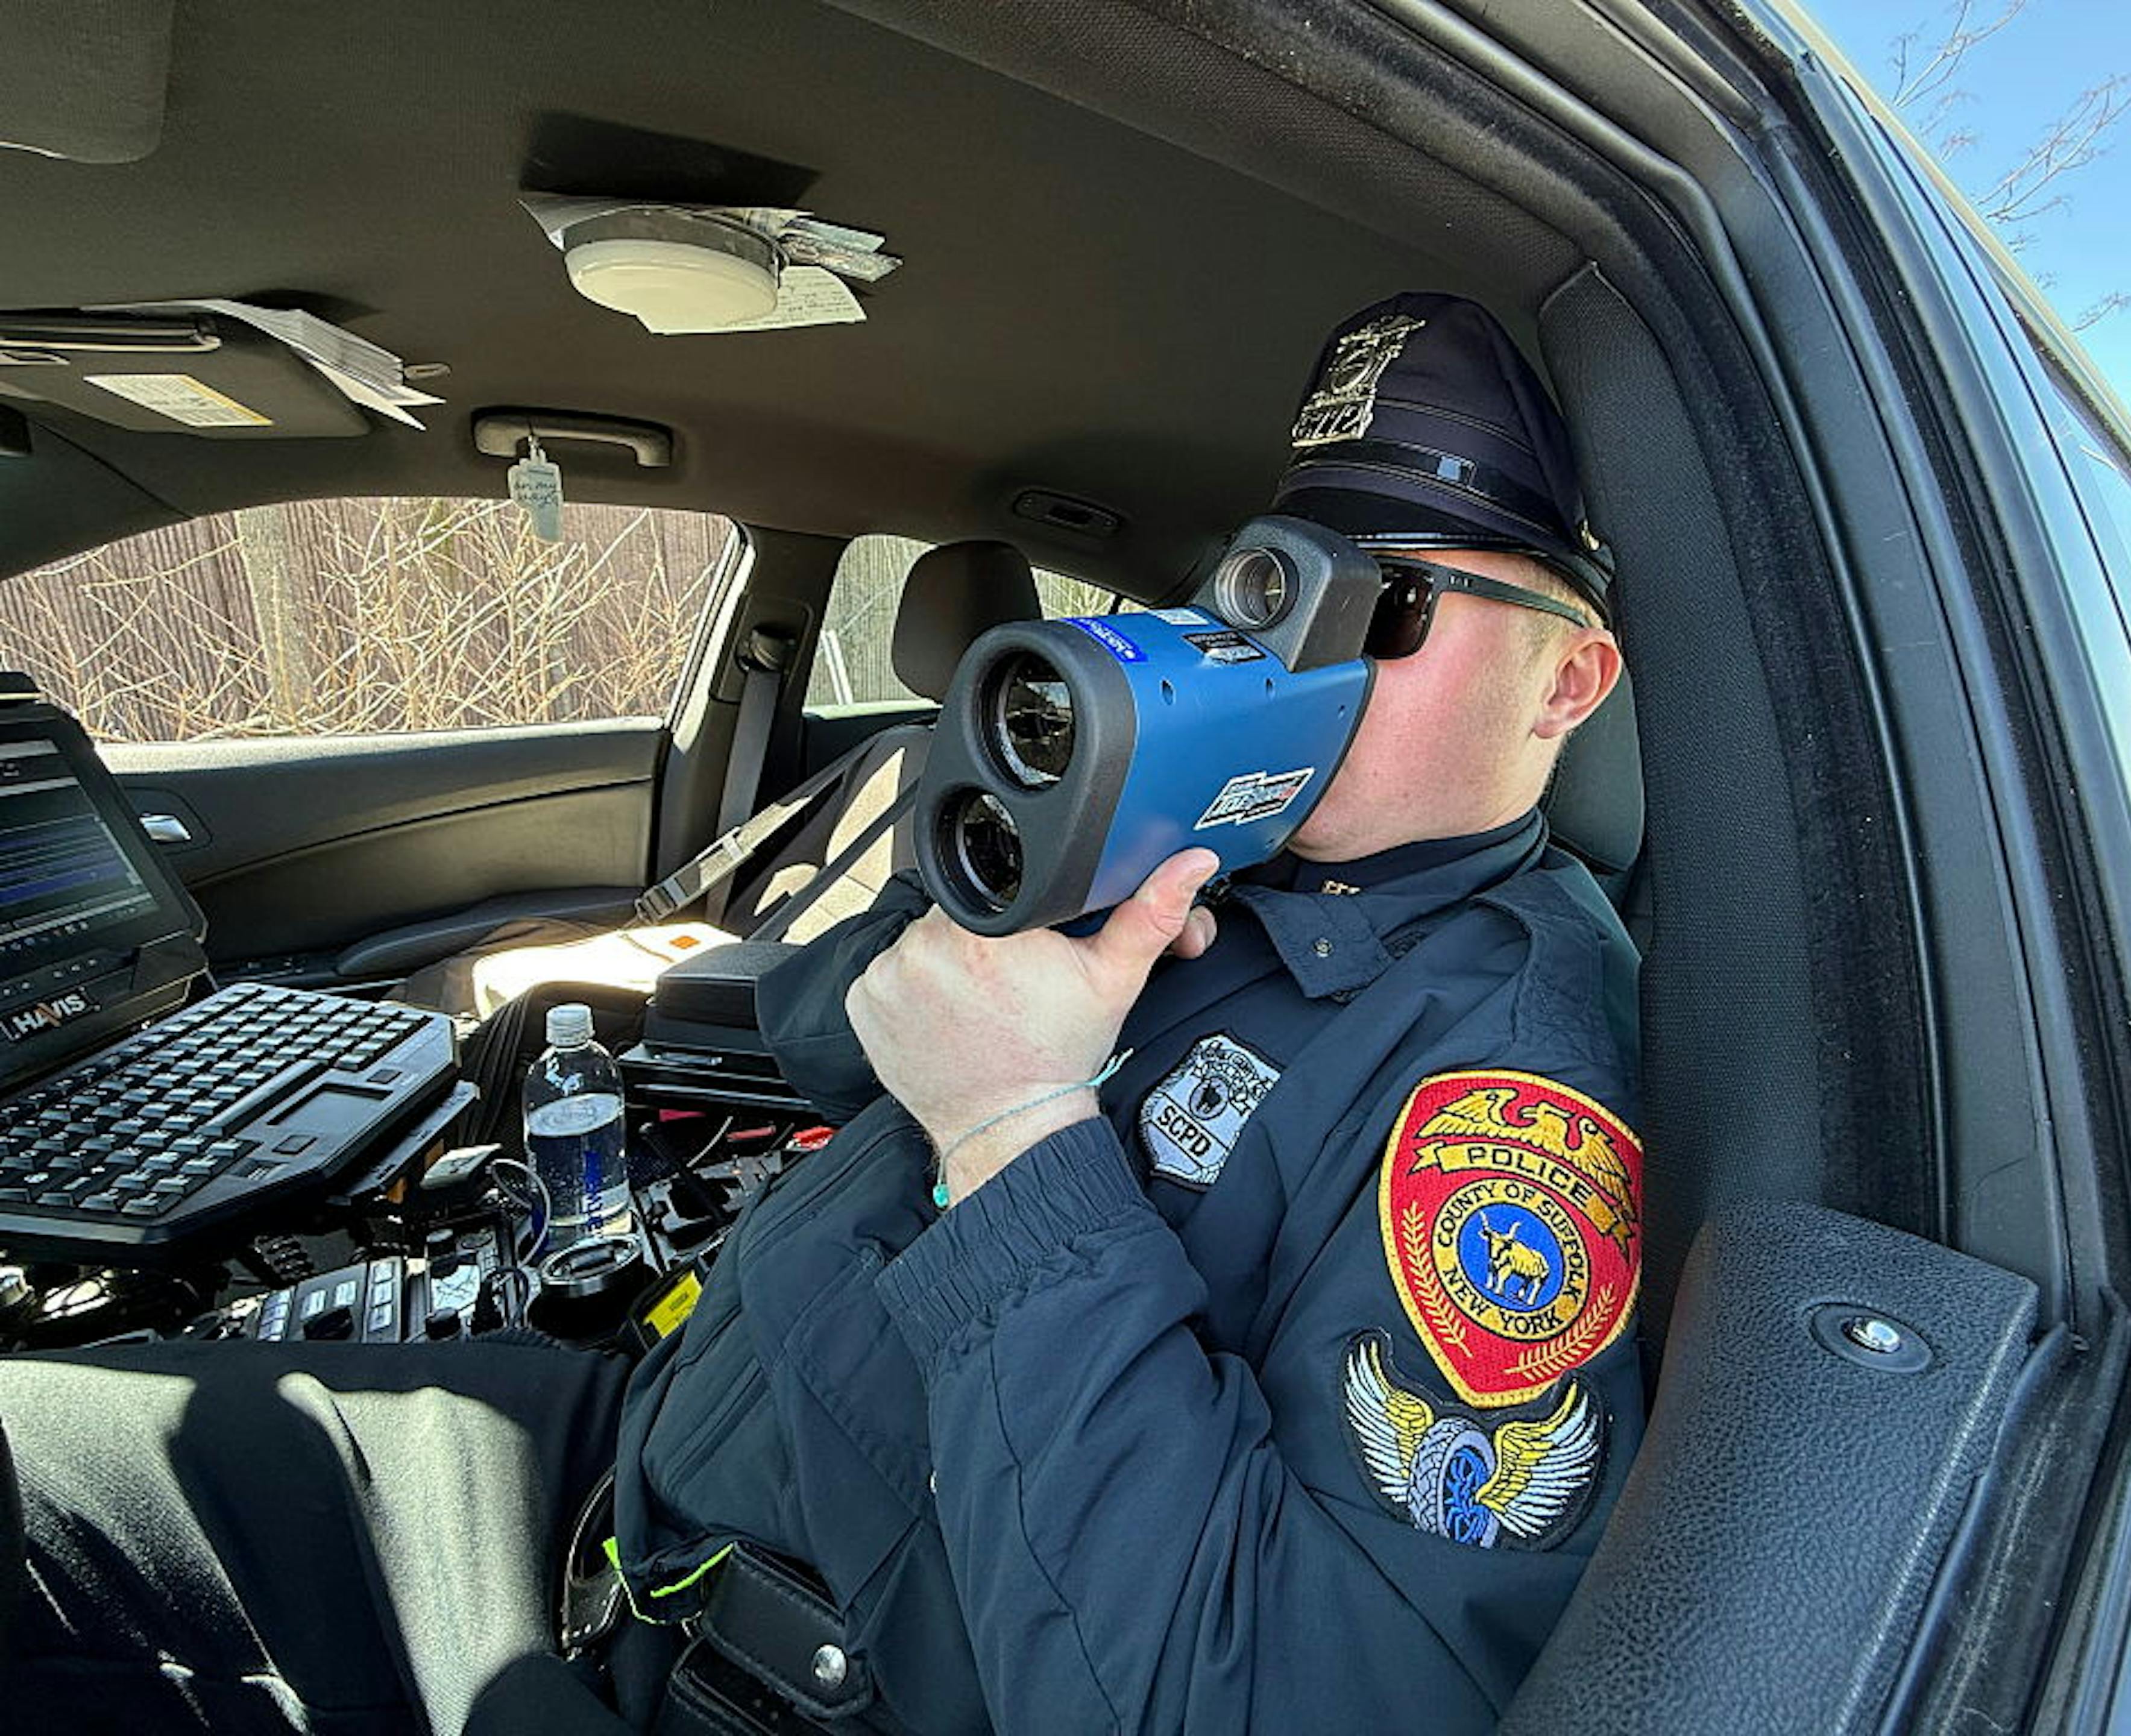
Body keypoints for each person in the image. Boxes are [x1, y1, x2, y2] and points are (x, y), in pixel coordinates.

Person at [0, 292, 1640, 1736]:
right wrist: (1006, 860)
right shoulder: (1229, 852)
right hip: (626, 1463)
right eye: (1283, 586)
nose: (1307, 655)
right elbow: (814, 1036)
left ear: (1568, 681)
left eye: (1396, 609)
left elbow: (1273, 1694)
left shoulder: (1509, 1091)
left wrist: (1016, 1133)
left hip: (757, 1669)